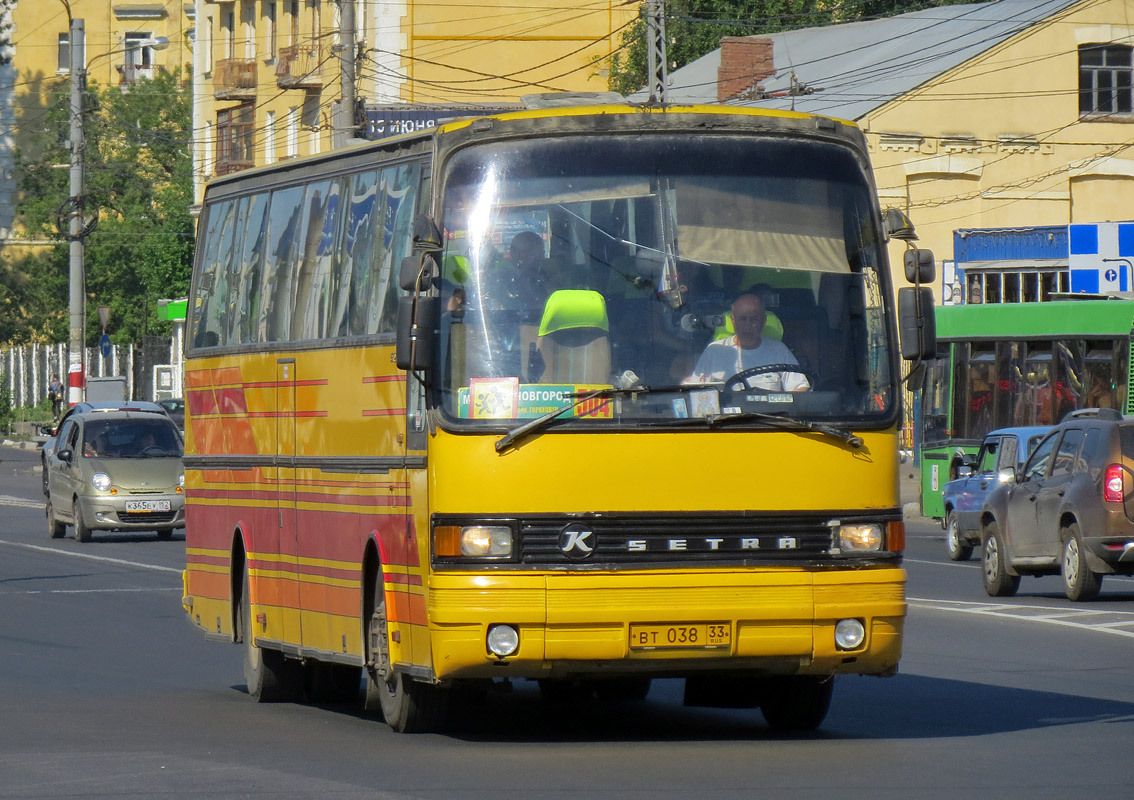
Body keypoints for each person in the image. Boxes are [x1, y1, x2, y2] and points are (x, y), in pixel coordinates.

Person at [688, 293, 810, 391]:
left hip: (770, 419)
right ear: (733, 320)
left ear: (763, 321)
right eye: (743, 319)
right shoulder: (714, 351)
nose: (748, 326)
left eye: (754, 319)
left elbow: (801, 388)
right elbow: (697, 391)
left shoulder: (778, 350)